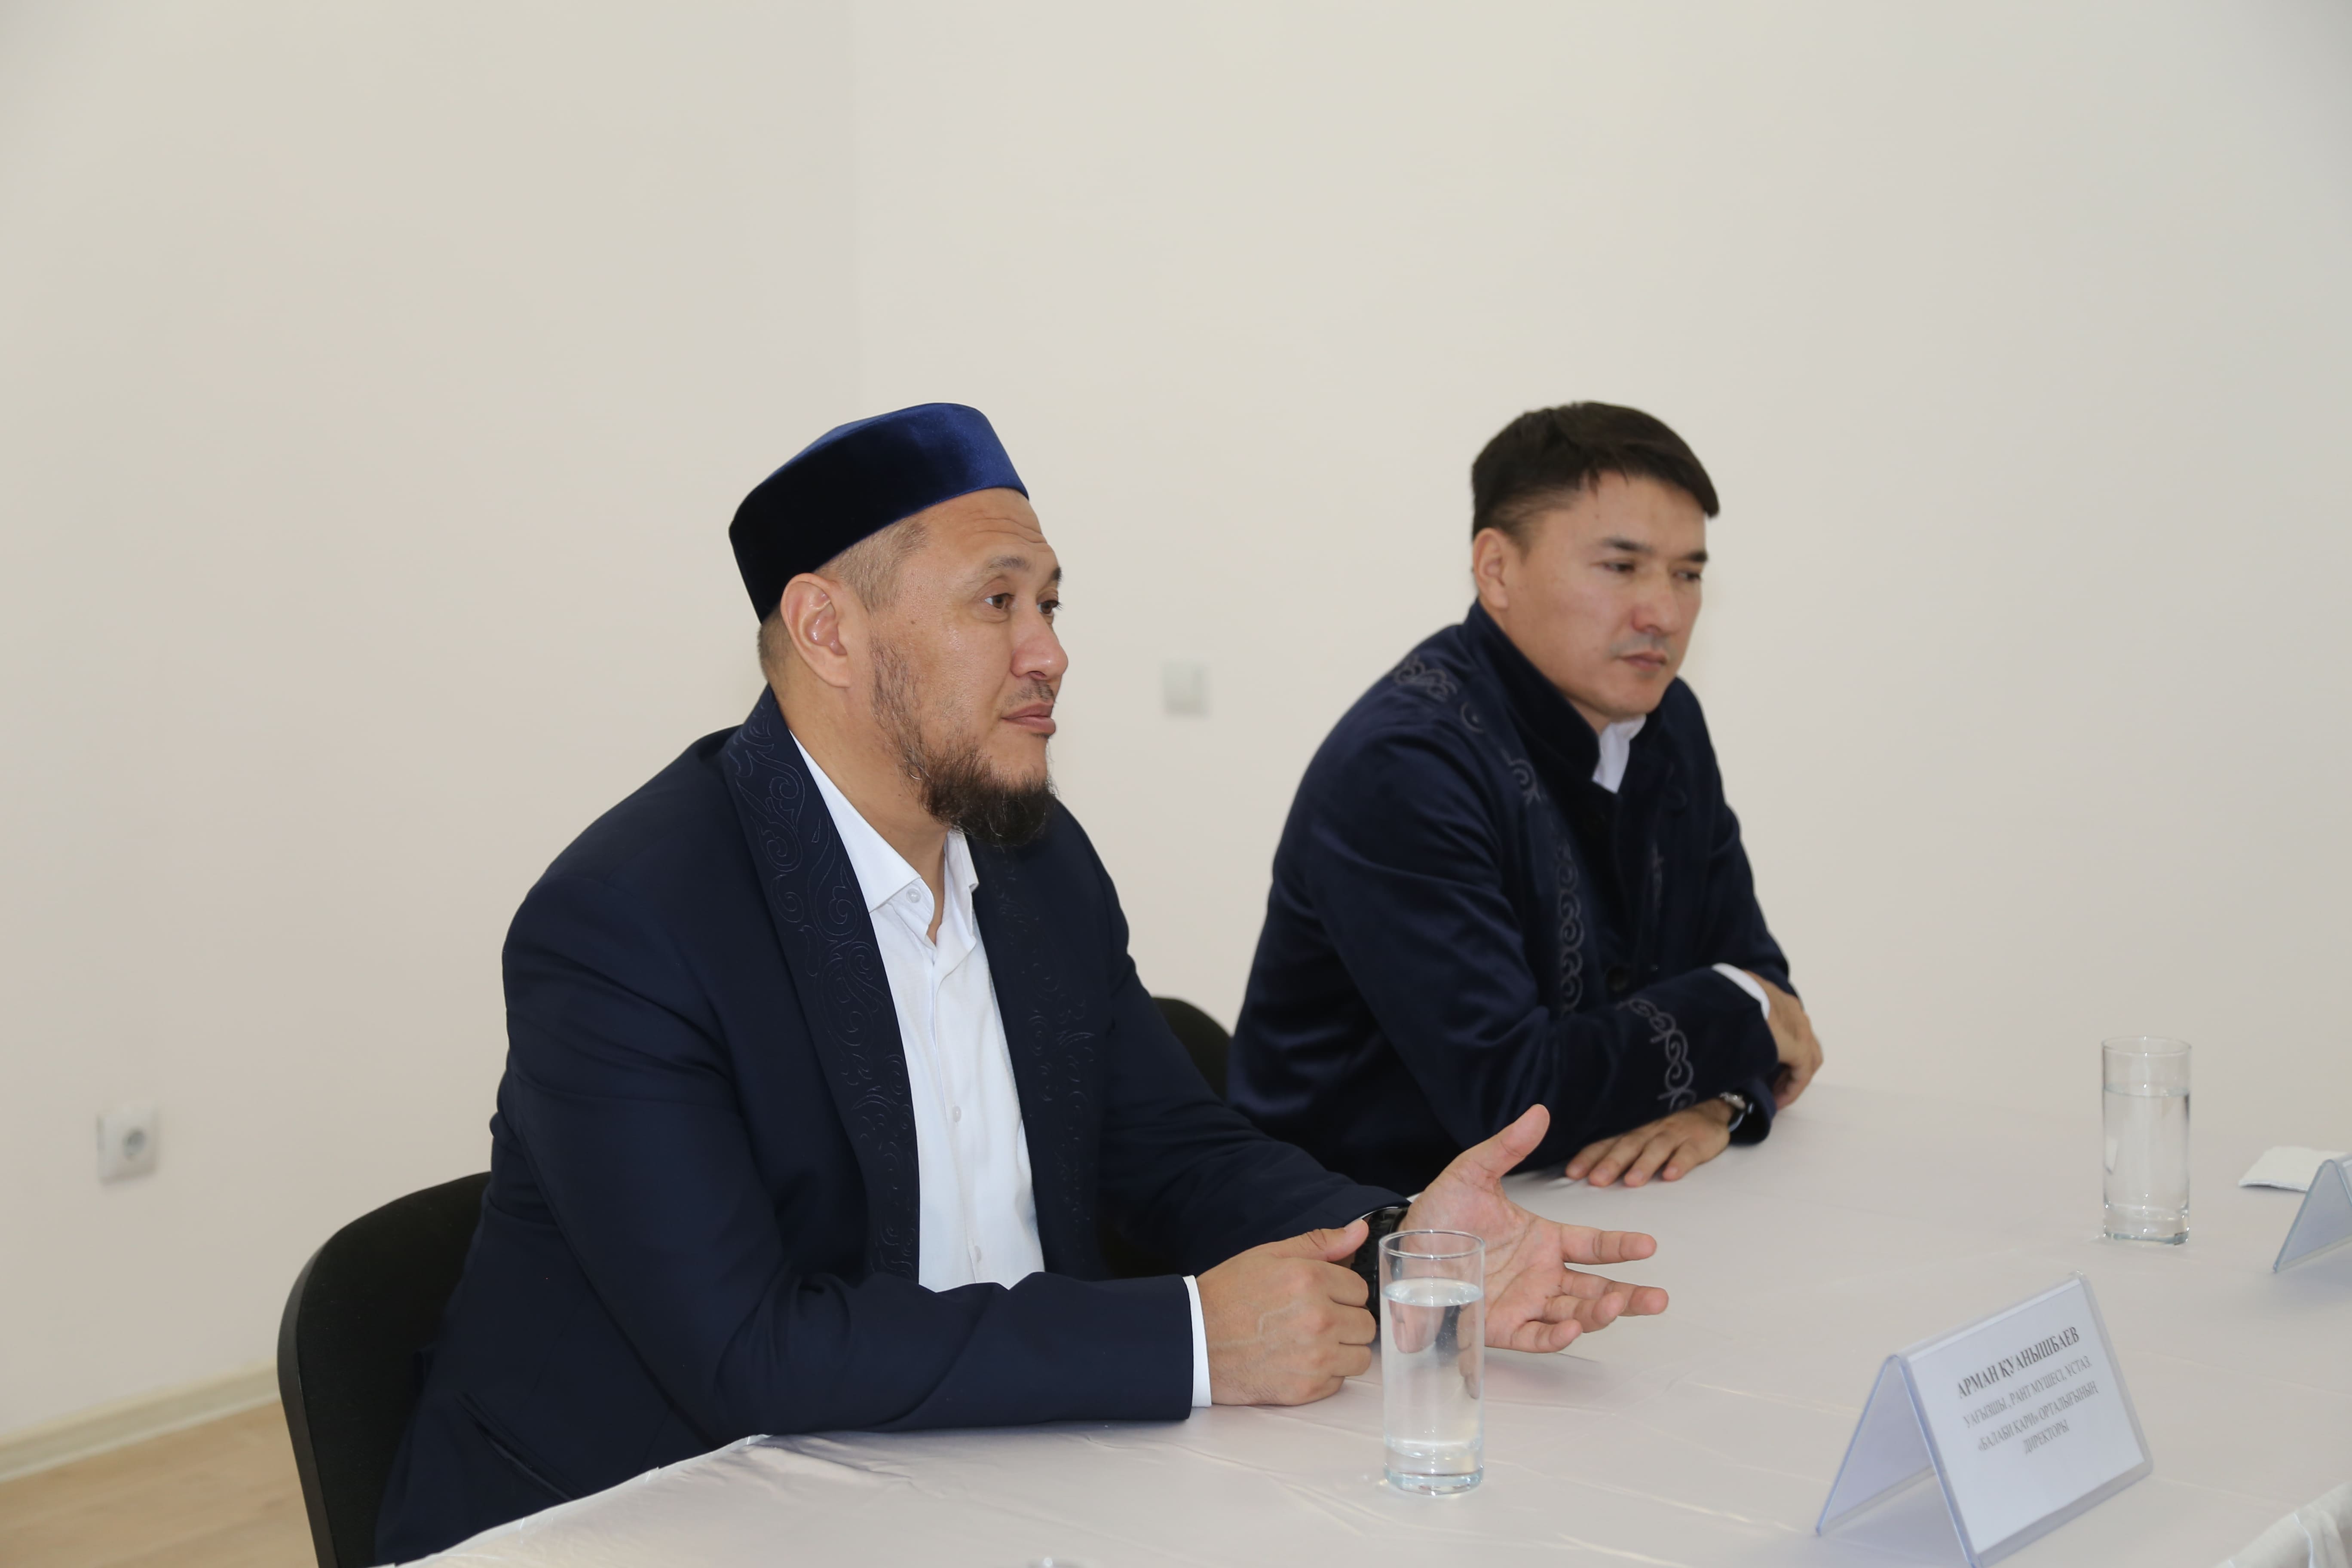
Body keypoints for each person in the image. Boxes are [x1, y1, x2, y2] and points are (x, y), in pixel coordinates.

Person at [374, 404, 1671, 1561]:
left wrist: (1415, 1249)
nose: (1049, 652)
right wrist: (1191, 1342)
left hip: (992, 1473)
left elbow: (1176, 1156)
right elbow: (745, 1353)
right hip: (648, 1511)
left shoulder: (1033, 860)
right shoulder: (628, 919)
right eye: (996, 603)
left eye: (1051, 604)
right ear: (828, 629)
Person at [1228, 402, 1824, 1200]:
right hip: (1367, 1229)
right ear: (1497, 570)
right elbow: (1510, 1099)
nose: (1665, 613)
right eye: (1622, 567)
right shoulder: (1405, 763)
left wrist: (1718, 1099)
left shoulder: (1666, 719)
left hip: (1598, 1203)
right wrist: (1741, 1019)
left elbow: (1757, 975)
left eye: (1688, 574)